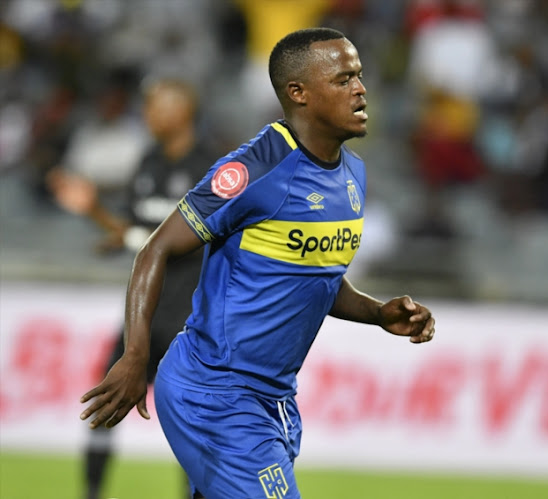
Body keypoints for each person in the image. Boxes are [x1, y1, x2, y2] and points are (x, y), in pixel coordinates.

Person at [79, 28, 436, 499]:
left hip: (274, 400)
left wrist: (376, 312)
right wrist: (135, 354)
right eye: (344, 78)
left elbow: (316, 273)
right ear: (299, 93)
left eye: (360, 76)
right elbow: (155, 249)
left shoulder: (353, 174)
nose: (360, 89)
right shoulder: (255, 170)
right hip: (215, 392)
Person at [50, 78, 213, 499]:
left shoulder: (211, 168)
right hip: (142, 319)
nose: (147, 115)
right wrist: (97, 216)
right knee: (104, 408)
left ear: (182, 111)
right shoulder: (148, 161)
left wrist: (117, 230)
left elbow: (176, 245)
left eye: (156, 107)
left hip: (188, 320)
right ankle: (90, 492)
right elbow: (138, 232)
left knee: (191, 425)